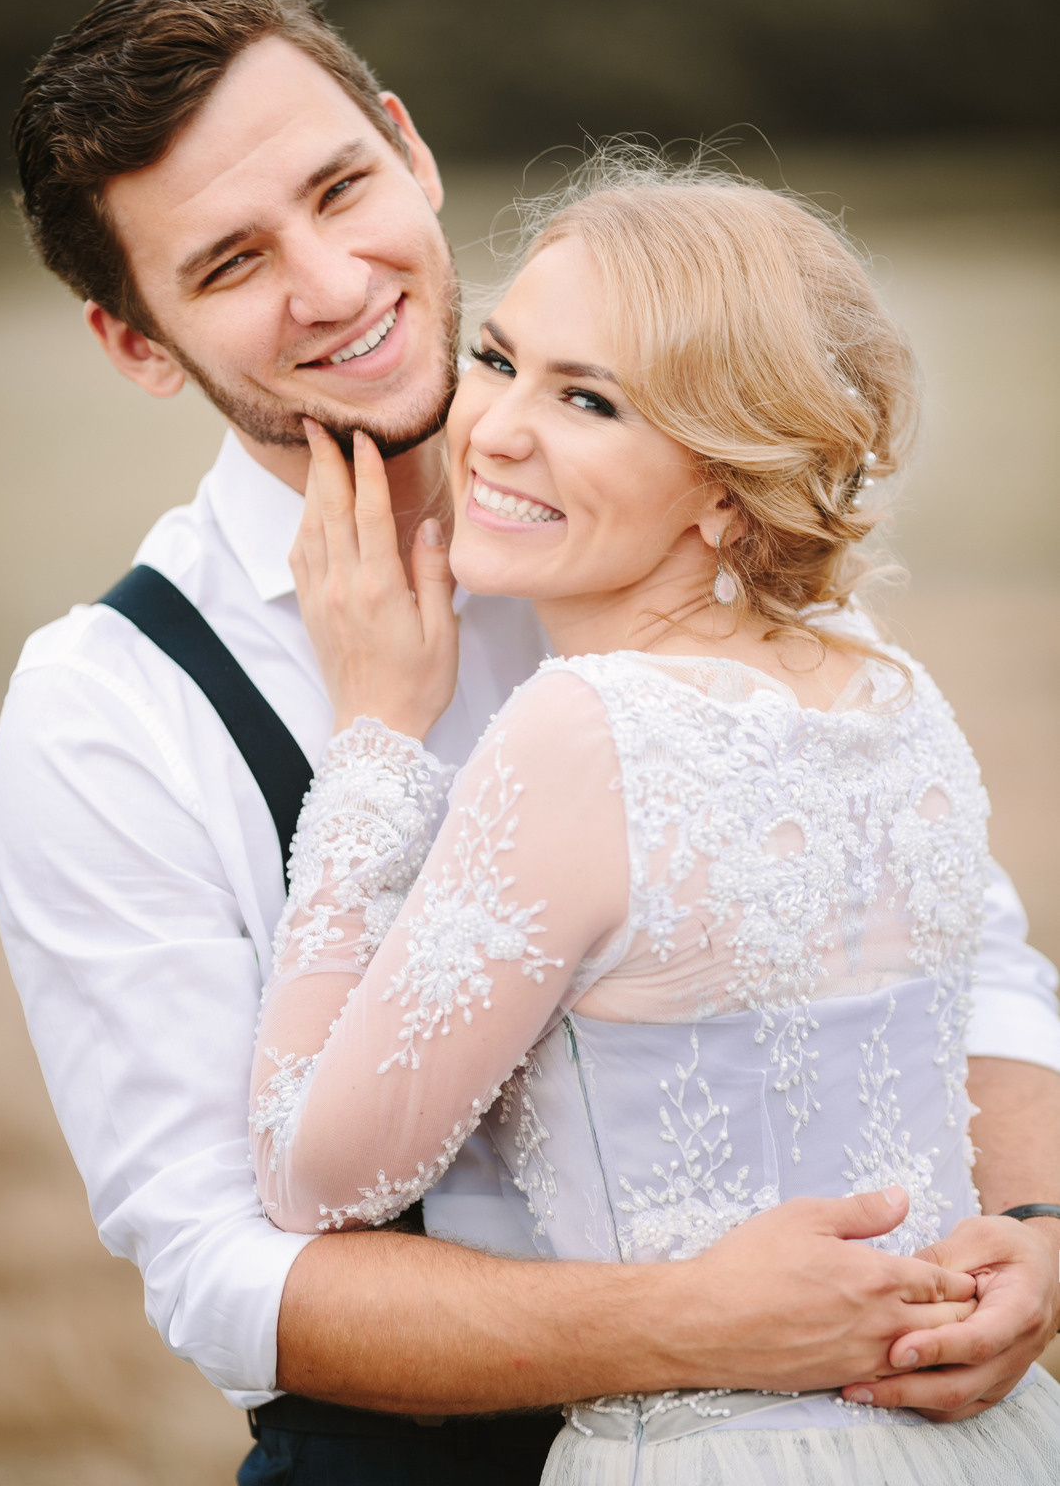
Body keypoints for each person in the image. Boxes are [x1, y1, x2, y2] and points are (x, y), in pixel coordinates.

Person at [0, 0, 1057, 1485]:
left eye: (341, 187)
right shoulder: (109, 707)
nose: (334, 282)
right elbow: (222, 1268)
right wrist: (692, 1329)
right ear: (136, 343)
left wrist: (1038, 1238)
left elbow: (972, 964)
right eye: (231, 262)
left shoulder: (708, 504)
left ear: (410, 153)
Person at [248, 159, 1060, 1481]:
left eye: (590, 400)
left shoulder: (588, 733)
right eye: (500, 358)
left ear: (729, 482)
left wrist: (378, 736)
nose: (497, 429)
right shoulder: (896, 699)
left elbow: (310, 1173)